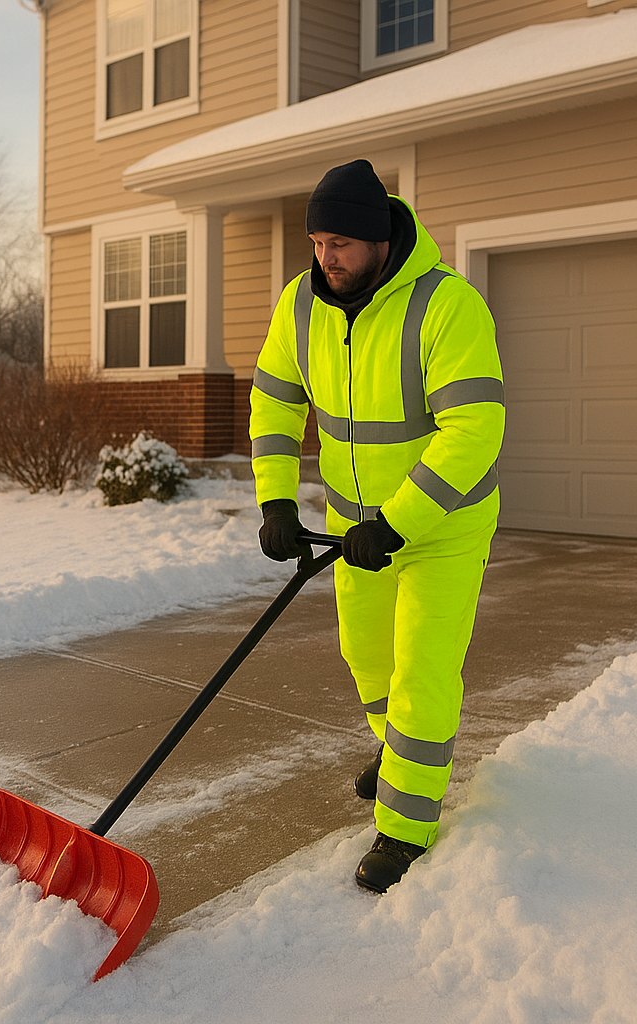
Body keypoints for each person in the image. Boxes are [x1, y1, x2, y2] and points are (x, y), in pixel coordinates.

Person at [250, 159, 504, 892]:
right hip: (353, 523)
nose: (326, 259)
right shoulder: (302, 303)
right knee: (367, 659)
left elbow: (473, 429)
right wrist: (275, 503)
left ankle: (405, 827)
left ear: (380, 241)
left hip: (441, 526)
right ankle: (398, 754)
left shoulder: (447, 305)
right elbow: (275, 403)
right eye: (318, 242)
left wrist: (400, 522)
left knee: (422, 672)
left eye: (341, 245)